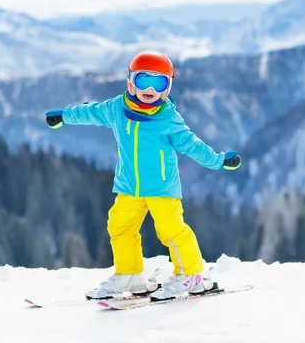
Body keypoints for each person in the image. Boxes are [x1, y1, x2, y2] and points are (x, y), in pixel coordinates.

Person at [44, 51, 242, 300]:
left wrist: (219, 161)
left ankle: (191, 276)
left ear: (167, 88)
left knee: (171, 231)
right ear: (130, 82)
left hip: (161, 187)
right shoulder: (117, 108)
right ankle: (130, 275)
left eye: (159, 82)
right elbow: (91, 112)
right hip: (129, 186)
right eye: (142, 80)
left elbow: (193, 145)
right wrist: (64, 116)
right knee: (120, 226)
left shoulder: (168, 119)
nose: (150, 88)